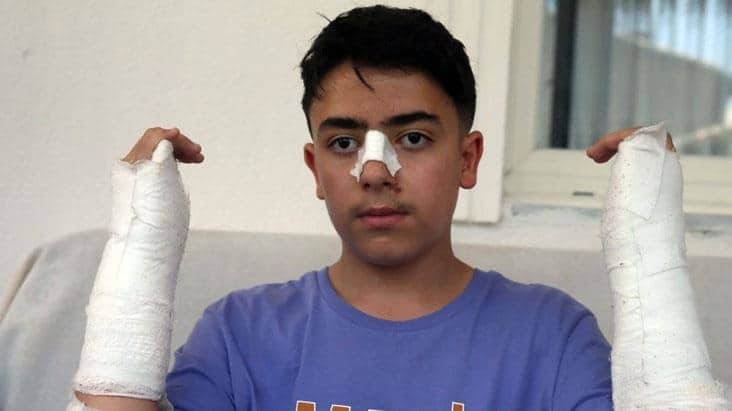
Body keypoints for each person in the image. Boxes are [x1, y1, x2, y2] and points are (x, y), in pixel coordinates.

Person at [73, 5, 729, 411]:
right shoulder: (239, 335)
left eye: (412, 138)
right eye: (344, 143)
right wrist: (139, 235)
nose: (375, 170)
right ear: (316, 170)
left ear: (468, 159)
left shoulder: (551, 337)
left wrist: (650, 232)